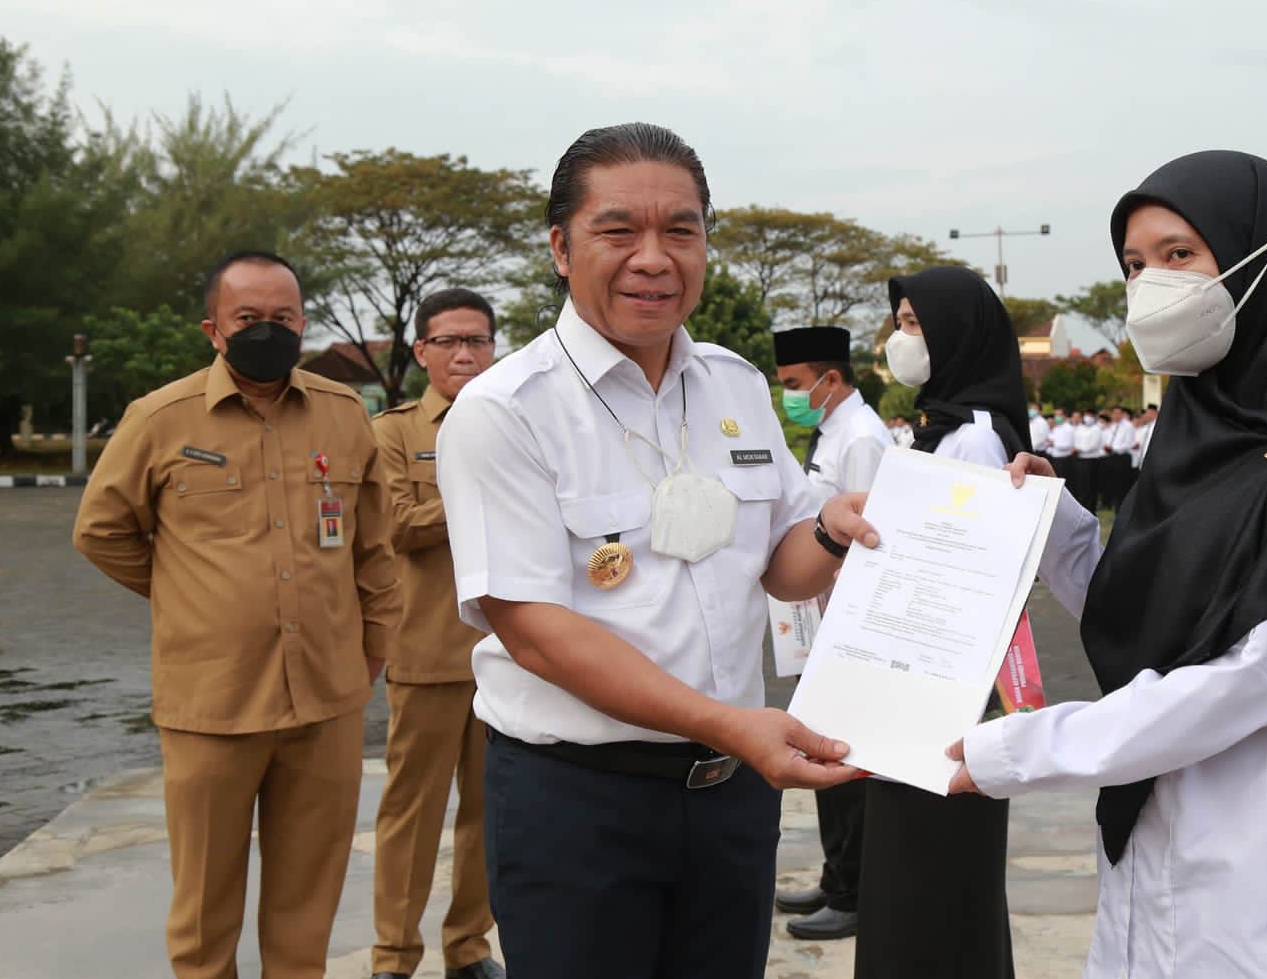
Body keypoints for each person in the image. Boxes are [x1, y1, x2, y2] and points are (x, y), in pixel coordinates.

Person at [949, 151, 1267, 978]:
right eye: (1134, 264)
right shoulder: (1192, 439)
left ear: (1265, 252)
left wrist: (1018, 750)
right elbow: (1146, 615)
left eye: (1179, 254)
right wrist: (1051, 521)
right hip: (1165, 848)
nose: (1151, 282)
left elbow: (1251, 678)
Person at [432, 123, 873, 979]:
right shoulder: (507, 409)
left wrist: (832, 529)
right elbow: (533, 630)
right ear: (561, 248)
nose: (654, 257)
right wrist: (732, 725)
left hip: (731, 798)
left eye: (682, 230)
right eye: (618, 231)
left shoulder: (736, 385)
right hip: (578, 803)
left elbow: (779, 566)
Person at [73, 251, 401, 979]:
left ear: (303, 322)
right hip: (212, 703)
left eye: (283, 318)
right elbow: (100, 531)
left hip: (326, 699)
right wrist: (190, 597)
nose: (267, 332)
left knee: (307, 902)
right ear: (213, 329)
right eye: (247, 318)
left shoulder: (344, 415)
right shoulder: (160, 419)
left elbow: (375, 549)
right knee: (204, 909)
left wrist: (372, 647)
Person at [855, 264, 1025, 979]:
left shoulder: (977, 439)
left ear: (957, 333)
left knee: (937, 880)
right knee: (909, 879)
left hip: (944, 686)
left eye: (915, 324)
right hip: (918, 677)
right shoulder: (944, 424)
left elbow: (968, 573)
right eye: (898, 322)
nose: (901, 337)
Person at [370, 288, 504, 979]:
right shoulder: (392, 431)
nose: (464, 354)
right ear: (421, 351)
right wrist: (487, 493)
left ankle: (469, 949)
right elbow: (396, 523)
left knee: (489, 816)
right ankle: (394, 956)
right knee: (411, 815)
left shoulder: (515, 421)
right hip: (425, 653)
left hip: (508, 656)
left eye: (477, 340)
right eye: (449, 341)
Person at [770, 324, 893, 941]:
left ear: (831, 379)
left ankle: (853, 891)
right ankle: (835, 872)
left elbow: (872, 537)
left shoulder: (863, 439)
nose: (789, 396)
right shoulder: (832, 431)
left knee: (845, 758)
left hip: (847, 622)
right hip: (819, 616)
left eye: (793, 385)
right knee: (820, 748)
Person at [1105, 405, 1137, 510]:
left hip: (1122, 458)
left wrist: (1114, 448)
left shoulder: (1128, 426)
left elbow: (1129, 444)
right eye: (1114, 413)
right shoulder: (1112, 426)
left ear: (1122, 414)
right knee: (1113, 484)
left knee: (1122, 485)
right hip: (1112, 457)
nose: (1116, 416)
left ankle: (1122, 508)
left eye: (1118, 413)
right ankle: (1116, 507)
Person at [1071, 409, 1104, 510]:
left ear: (1094, 417)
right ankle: (1082, 508)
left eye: (1090, 415)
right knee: (1081, 486)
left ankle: (1091, 508)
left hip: (1091, 460)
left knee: (1090, 487)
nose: (1087, 417)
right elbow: (1075, 441)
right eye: (1086, 415)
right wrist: (1077, 448)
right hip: (1080, 459)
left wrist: (1079, 449)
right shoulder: (1080, 428)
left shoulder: (1096, 429)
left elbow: (1092, 446)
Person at [1048, 409, 1078, 501]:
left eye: (1059, 415)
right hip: (1055, 458)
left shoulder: (1068, 428)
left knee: (1066, 485)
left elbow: (1068, 445)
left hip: (1064, 459)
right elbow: (1049, 440)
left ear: (1064, 416)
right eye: (1055, 415)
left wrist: (1054, 444)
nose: (1056, 417)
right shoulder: (1056, 428)